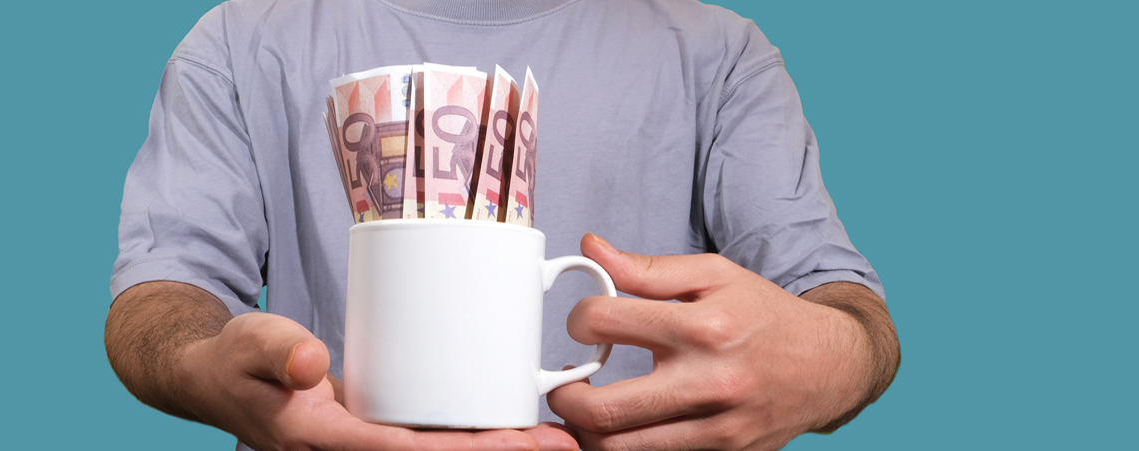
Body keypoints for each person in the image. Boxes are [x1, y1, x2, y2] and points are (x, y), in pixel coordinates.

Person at [104, 0, 901, 450]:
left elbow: (841, 302)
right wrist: (207, 365)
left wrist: (834, 357)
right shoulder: (240, 42)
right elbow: (162, 290)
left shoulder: (719, 53)